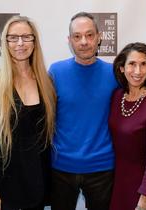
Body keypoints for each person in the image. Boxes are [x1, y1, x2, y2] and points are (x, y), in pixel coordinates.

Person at [0, 16, 56, 210]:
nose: (20, 43)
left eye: (26, 37)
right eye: (13, 38)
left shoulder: (46, 83)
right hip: (6, 192)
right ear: (5, 43)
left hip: (38, 187)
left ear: (34, 41)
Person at [48, 12, 118, 210]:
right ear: (69, 40)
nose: (84, 41)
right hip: (61, 167)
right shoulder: (55, 72)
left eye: (89, 35)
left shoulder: (114, 73)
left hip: (102, 167)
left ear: (99, 36)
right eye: (77, 36)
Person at [109, 42, 146, 210]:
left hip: (139, 188)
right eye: (132, 64)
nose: (138, 71)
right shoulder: (117, 96)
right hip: (115, 181)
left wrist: (144, 198)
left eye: (143, 64)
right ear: (121, 68)